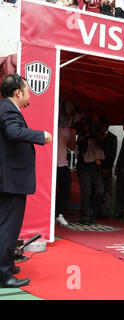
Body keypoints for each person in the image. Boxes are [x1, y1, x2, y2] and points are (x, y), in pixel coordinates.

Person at [0, 73, 52, 288]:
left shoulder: (6, 108)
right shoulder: (8, 109)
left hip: (10, 178)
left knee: (8, 226)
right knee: (8, 227)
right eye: (28, 90)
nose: (30, 94)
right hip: (10, 179)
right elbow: (13, 131)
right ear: (18, 92)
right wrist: (41, 136)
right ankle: (4, 275)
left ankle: (8, 264)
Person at [75, 115, 105, 225]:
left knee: (100, 191)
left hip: (96, 167)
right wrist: (86, 135)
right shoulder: (82, 134)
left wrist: (96, 135)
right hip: (84, 166)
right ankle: (86, 215)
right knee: (86, 191)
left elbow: (103, 145)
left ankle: (91, 211)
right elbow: (83, 148)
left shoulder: (98, 133)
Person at [98, 116, 117, 217]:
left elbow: (113, 155)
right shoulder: (97, 136)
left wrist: (107, 167)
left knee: (107, 189)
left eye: (102, 126)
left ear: (106, 126)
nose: (101, 128)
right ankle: (99, 210)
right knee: (98, 188)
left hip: (107, 167)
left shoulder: (113, 137)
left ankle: (105, 210)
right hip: (97, 166)